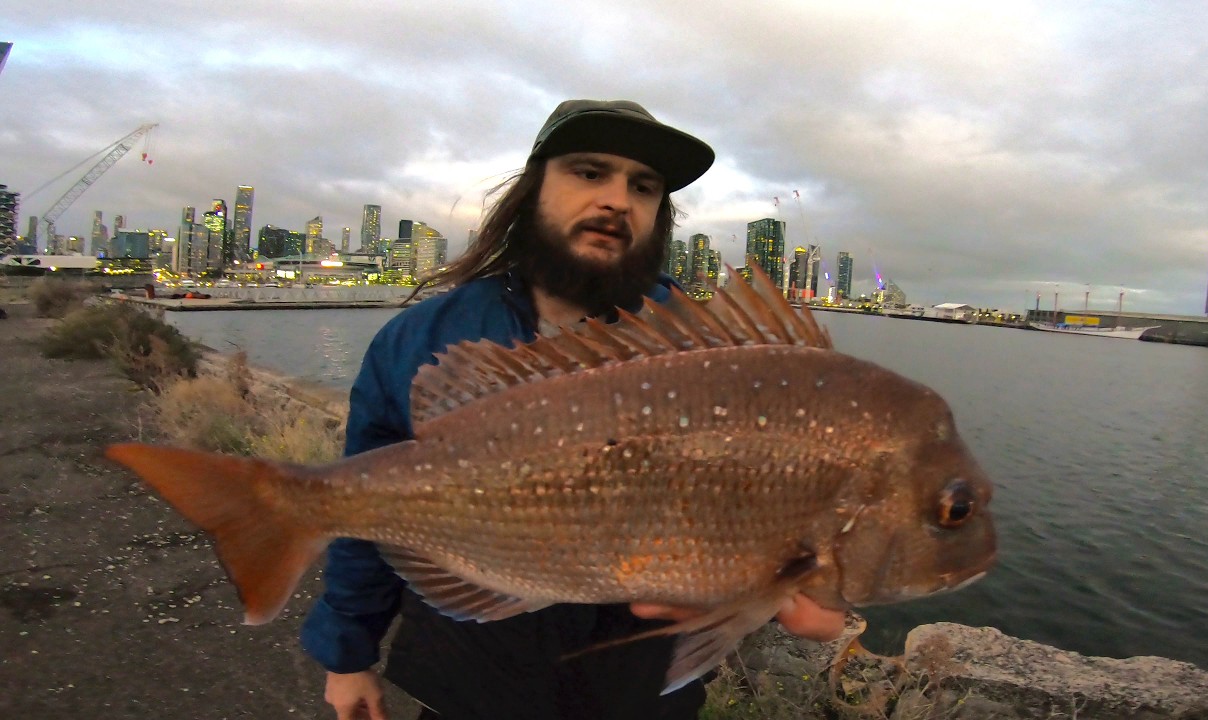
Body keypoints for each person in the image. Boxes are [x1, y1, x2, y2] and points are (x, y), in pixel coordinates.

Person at [300, 99, 847, 720]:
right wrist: (347, 655)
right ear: (534, 189)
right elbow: (366, 507)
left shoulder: (717, 357)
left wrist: (818, 589)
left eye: (643, 186)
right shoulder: (423, 339)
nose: (617, 199)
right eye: (589, 172)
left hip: (636, 690)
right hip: (470, 679)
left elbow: (786, 507)